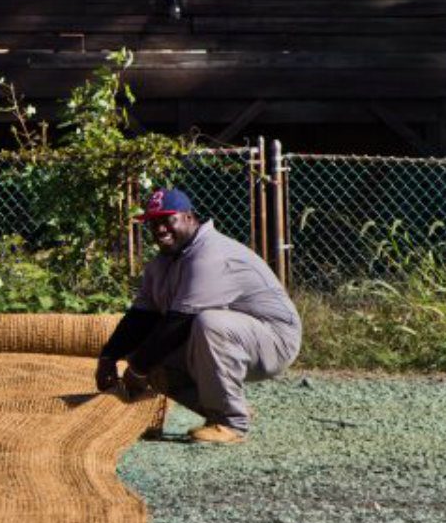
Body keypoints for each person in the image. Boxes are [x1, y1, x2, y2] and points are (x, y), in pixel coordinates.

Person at [96, 188, 301, 446]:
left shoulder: (210, 254)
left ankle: (231, 424)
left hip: (275, 340)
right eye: (153, 223)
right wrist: (108, 356)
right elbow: (140, 317)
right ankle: (226, 408)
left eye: (168, 219)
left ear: (190, 217)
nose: (160, 229)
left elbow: (179, 322)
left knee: (207, 324)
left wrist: (137, 369)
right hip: (238, 336)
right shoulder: (162, 263)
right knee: (150, 349)